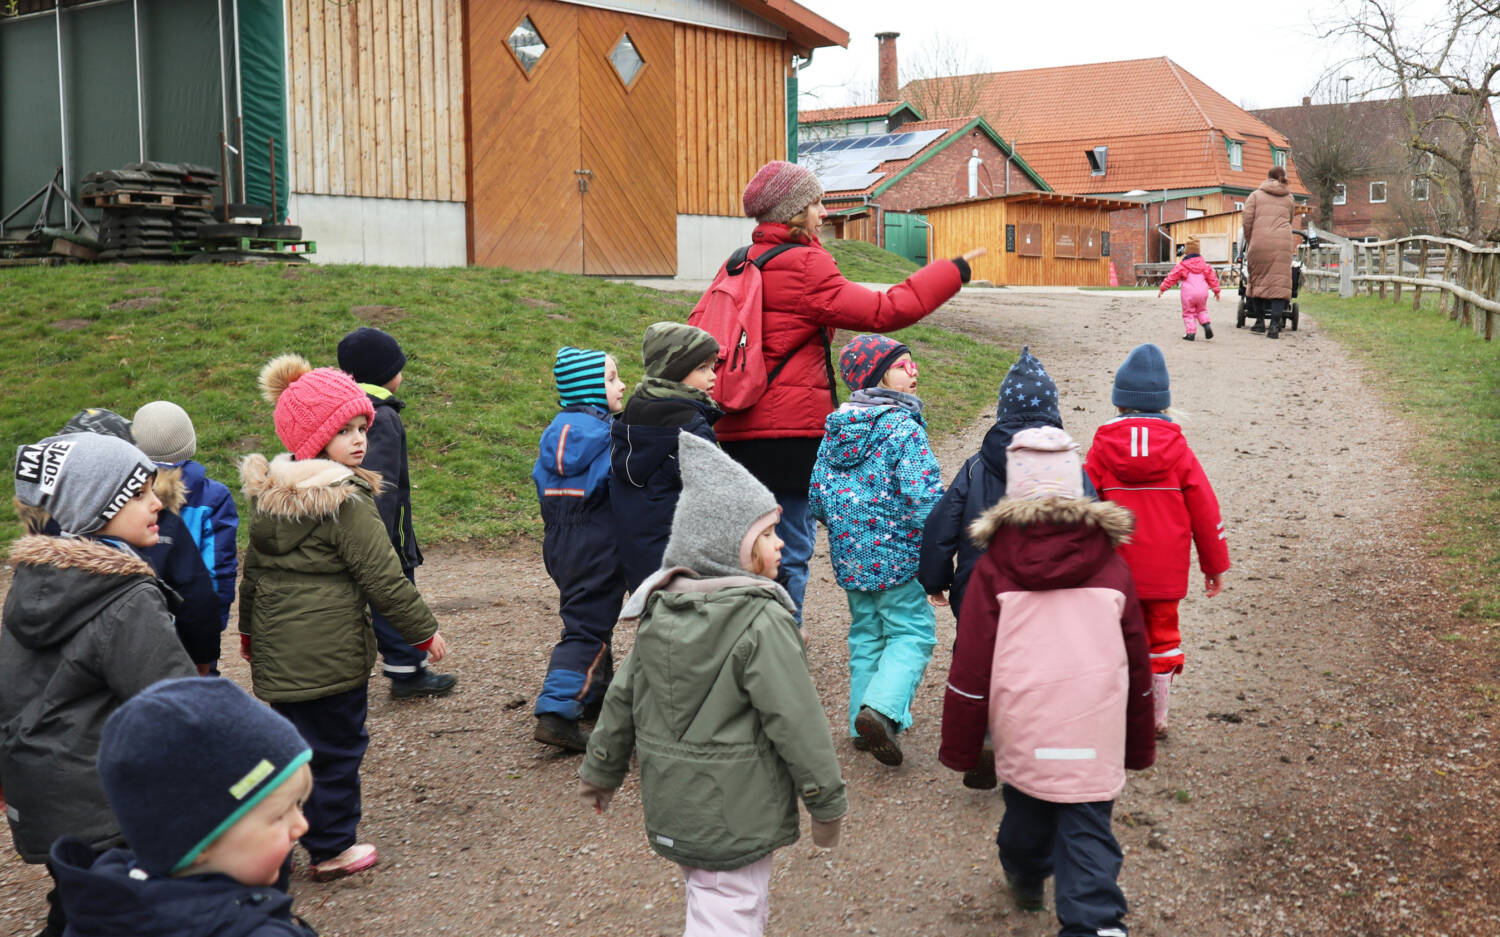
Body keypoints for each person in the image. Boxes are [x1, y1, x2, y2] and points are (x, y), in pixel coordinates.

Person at [579, 432, 847, 937]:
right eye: (768, 534)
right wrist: (825, 800)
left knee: (710, 897)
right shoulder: (762, 622)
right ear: (734, 549)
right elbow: (797, 720)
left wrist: (601, 771)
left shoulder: (660, 610)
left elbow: (621, 700)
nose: (782, 542)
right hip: (736, 811)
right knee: (731, 910)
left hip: (676, 807)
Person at [713, 158, 985, 620]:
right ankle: (775, 653)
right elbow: (885, 311)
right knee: (790, 549)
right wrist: (952, 271)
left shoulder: (739, 262)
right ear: (793, 211)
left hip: (734, 428)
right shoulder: (804, 265)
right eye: (816, 203)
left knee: (748, 550)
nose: (824, 212)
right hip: (789, 435)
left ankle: (740, 646)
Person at [240, 354, 450, 881]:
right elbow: (384, 577)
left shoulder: (269, 497)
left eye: (362, 428)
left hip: (278, 653)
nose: (360, 440)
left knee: (289, 750)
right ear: (313, 439)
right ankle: (331, 847)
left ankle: (267, 846)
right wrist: (422, 632)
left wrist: (247, 632)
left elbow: (254, 575)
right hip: (330, 656)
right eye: (344, 430)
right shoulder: (346, 501)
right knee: (336, 749)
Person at [938, 427, 1154, 935]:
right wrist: (1138, 743)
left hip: (1026, 724)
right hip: (1094, 727)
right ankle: (1096, 922)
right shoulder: (1113, 568)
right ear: (1078, 486)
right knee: (1088, 827)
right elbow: (1138, 662)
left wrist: (963, 747)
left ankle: (1025, 872)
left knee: (1027, 814)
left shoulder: (994, 570)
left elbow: (971, 666)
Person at [0, 432, 198, 937]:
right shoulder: (125, 595)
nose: (157, 502)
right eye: (138, 494)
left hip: (46, 797)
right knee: (127, 912)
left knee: (81, 898)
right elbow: (174, 702)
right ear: (96, 507)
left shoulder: (33, 584)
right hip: (108, 802)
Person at [49, 677, 318, 936]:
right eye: (279, 816)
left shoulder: (106, 903)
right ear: (198, 842)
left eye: (298, 805)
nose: (301, 825)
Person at [1084, 344, 1231, 737]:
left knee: (1114, 636)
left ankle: (1118, 710)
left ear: (1119, 402)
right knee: (1163, 636)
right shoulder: (1179, 450)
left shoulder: (1101, 447)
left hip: (1113, 570)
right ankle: (1157, 715)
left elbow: (1083, 503)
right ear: (1163, 403)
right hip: (1165, 573)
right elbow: (1205, 509)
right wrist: (1214, 565)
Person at [809, 334, 942, 767]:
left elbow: (816, 496)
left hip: (850, 560)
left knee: (867, 636)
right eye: (904, 365)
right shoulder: (902, 427)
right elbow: (925, 499)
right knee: (912, 633)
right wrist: (942, 546)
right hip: (899, 559)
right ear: (879, 375)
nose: (914, 369)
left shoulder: (837, 428)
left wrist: (849, 531)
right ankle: (883, 710)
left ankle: (859, 723)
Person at [20, 409, 221, 674]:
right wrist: (202, 656)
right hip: (155, 668)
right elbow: (196, 597)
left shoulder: (41, 534)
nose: (155, 502)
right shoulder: (141, 580)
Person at [919, 346, 1094, 622]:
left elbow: (942, 525)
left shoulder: (976, 467)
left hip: (981, 591)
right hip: (1052, 590)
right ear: (1053, 411)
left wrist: (934, 579)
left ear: (1003, 410)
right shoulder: (1071, 468)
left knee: (976, 656)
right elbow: (1094, 529)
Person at [337, 327, 458, 700]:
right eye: (399, 367)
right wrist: (385, 537)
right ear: (386, 374)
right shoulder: (381, 417)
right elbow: (381, 482)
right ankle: (408, 673)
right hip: (385, 533)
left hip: (366, 528)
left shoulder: (350, 412)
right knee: (395, 594)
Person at [532, 346, 629, 753]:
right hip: (598, 540)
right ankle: (557, 711)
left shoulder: (556, 432)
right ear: (590, 388)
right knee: (586, 629)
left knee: (587, 615)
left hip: (559, 541)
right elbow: (621, 487)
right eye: (610, 379)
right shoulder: (609, 435)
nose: (621, 384)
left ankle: (594, 691)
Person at [610, 322, 722, 590]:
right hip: (684, 560)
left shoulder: (632, 414)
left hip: (640, 555)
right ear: (674, 372)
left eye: (713, 367)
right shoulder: (690, 427)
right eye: (702, 368)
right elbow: (716, 497)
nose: (713, 376)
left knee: (658, 625)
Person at [131, 400, 241, 672]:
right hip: (193, 630)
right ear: (189, 442)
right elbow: (218, 571)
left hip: (134, 628)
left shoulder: (123, 494)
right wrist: (213, 628)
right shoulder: (213, 497)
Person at [1242, 166, 1295, 338]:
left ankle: (1259, 322)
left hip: (1260, 242)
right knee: (1279, 284)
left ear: (1268, 177)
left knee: (1257, 281)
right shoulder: (1289, 198)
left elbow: (1246, 221)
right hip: (1283, 244)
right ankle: (1274, 325)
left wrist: (1252, 240)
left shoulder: (1255, 195)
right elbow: (1290, 220)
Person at [1158, 237, 1221, 341]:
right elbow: (1212, 278)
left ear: (1186, 252)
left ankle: (1190, 334)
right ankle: (1206, 324)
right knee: (1202, 310)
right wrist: (1216, 291)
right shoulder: (1205, 265)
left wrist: (1163, 288)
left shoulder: (1183, 266)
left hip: (1188, 294)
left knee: (1189, 312)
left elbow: (1172, 277)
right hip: (1202, 293)